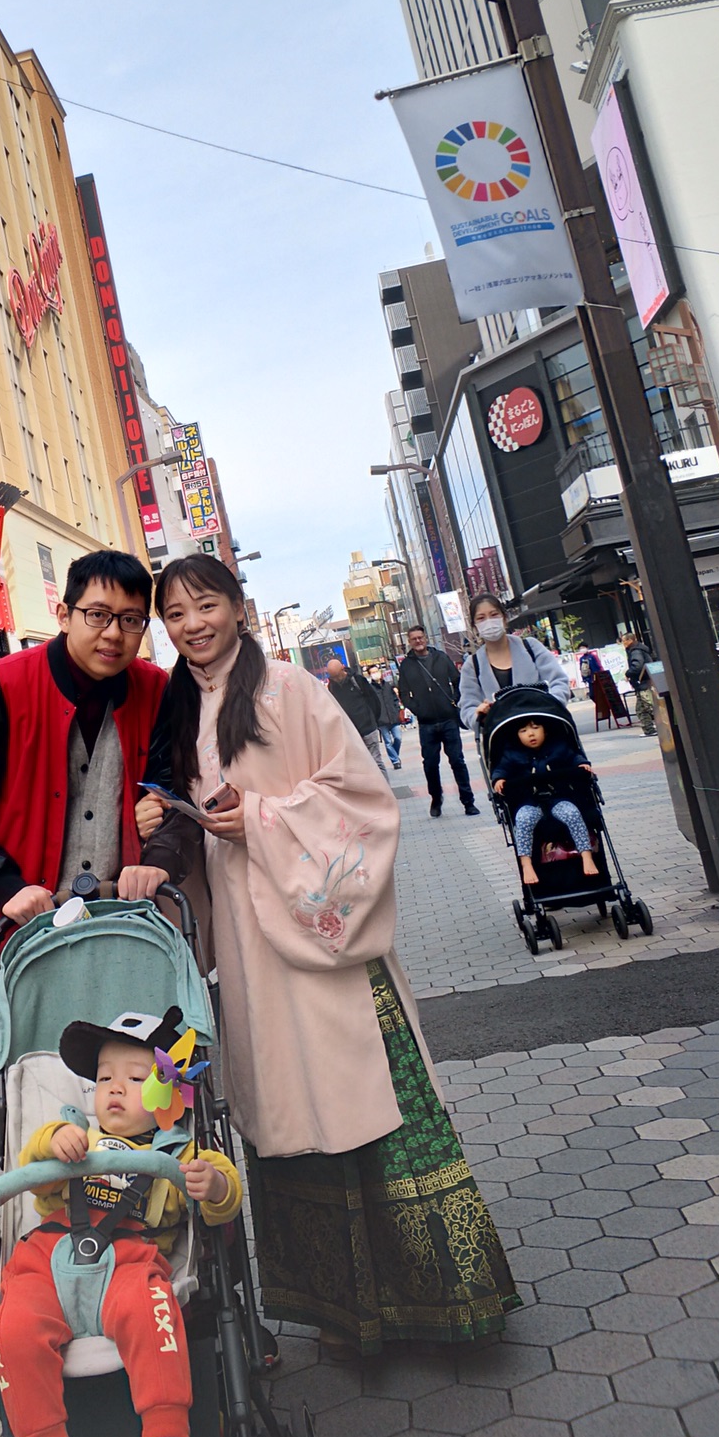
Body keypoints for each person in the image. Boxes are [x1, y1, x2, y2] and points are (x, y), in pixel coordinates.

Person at [137, 556, 518, 1352]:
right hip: (246, 942)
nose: (192, 625)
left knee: (368, 1092)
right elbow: (185, 816)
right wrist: (162, 824)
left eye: (205, 605)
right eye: (174, 614)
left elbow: (363, 798)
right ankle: (343, 1310)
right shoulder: (177, 708)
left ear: (240, 607)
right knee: (286, 1106)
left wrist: (264, 820)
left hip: (320, 930)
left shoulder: (291, 690)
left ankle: (444, 1298)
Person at [0, 1007, 242, 1437]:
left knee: (152, 1308)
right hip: (50, 1255)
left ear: (169, 1091)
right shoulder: (75, 1132)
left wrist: (214, 1184)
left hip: (130, 1257)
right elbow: (33, 1172)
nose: (116, 1088)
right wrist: (52, 1145)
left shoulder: (178, 1150)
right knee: (13, 1329)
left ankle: (165, 1432)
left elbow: (223, 1199)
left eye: (137, 1079)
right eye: (105, 1079)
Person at [0, 550, 187, 964]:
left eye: (131, 620)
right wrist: (3, 883)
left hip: (126, 919)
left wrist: (157, 854)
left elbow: (172, 787)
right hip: (23, 925)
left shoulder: (155, 689)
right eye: (98, 615)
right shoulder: (5, 683)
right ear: (64, 615)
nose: (114, 634)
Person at [493, 719, 597, 888]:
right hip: (529, 801)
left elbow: (574, 756)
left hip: (557, 797)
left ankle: (587, 856)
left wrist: (582, 764)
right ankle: (526, 864)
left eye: (535, 727)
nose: (531, 734)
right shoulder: (512, 753)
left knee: (572, 813)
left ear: (546, 730)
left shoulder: (559, 747)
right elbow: (501, 768)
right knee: (523, 819)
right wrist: (498, 779)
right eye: (523, 731)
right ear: (517, 736)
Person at [395, 625, 478, 818]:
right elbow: (404, 693)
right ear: (410, 641)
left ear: (426, 638)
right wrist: (418, 708)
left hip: (448, 718)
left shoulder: (441, 657)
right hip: (427, 723)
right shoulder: (407, 665)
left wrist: (455, 700)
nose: (418, 641)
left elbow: (458, 680)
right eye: (414, 638)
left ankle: (468, 802)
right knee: (430, 764)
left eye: (420, 637)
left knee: (457, 761)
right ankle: (436, 798)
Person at [458, 593, 572, 731]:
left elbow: (559, 681)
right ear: (474, 627)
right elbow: (467, 708)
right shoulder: (472, 665)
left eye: (494, 615)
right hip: (503, 742)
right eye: (481, 618)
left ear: (505, 619)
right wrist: (480, 716)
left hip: (545, 732)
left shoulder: (531, 647)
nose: (489, 621)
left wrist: (547, 708)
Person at [323, 658, 388, 776]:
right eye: (333, 677)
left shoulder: (357, 680)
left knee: (376, 762)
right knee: (360, 766)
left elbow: (374, 700)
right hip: (351, 732)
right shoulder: (332, 687)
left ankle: (386, 791)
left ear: (343, 668)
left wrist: (373, 720)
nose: (336, 679)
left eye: (337, 676)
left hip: (368, 727)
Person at [369, 667, 404, 771]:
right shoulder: (370, 688)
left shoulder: (388, 685)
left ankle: (395, 755)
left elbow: (394, 699)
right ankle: (396, 761)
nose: (375, 674)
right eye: (372, 673)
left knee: (398, 738)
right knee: (388, 742)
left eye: (376, 671)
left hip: (393, 717)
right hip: (381, 719)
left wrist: (397, 709)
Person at [623, 634, 656, 736]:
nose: (623, 643)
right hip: (643, 683)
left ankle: (665, 727)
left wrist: (628, 673)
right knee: (641, 709)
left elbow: (637, 666)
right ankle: (649, 730)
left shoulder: (636, 651)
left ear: (630, 640)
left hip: (643, 683)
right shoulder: (639, 649)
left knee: (649, 707)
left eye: (624, 641)